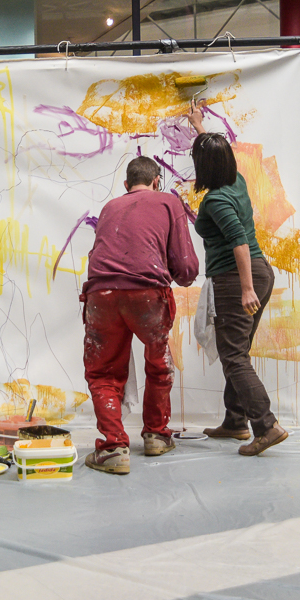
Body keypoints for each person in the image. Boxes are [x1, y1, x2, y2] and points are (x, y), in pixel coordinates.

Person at [81, 156, 198, 475]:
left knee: (103, 372)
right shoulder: (168, 202)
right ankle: (157, 436)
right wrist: (178, 275)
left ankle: (113, 449)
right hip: (148, 295)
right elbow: (186, 268)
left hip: (101, 295)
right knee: (159, 364)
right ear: (157, 181)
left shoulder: (109, 207)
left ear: (126, 185)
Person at [185, 102, 287, 456]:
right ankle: (235, 421)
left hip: (237, 277)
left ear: (203, 167)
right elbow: (215, 154)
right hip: (259, 272)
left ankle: (266, 426)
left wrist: (245, 289)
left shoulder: (216, 200)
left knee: (233, 355)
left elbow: (239, 242)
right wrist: (199, 126)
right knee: (237, 350)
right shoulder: (236, 181)